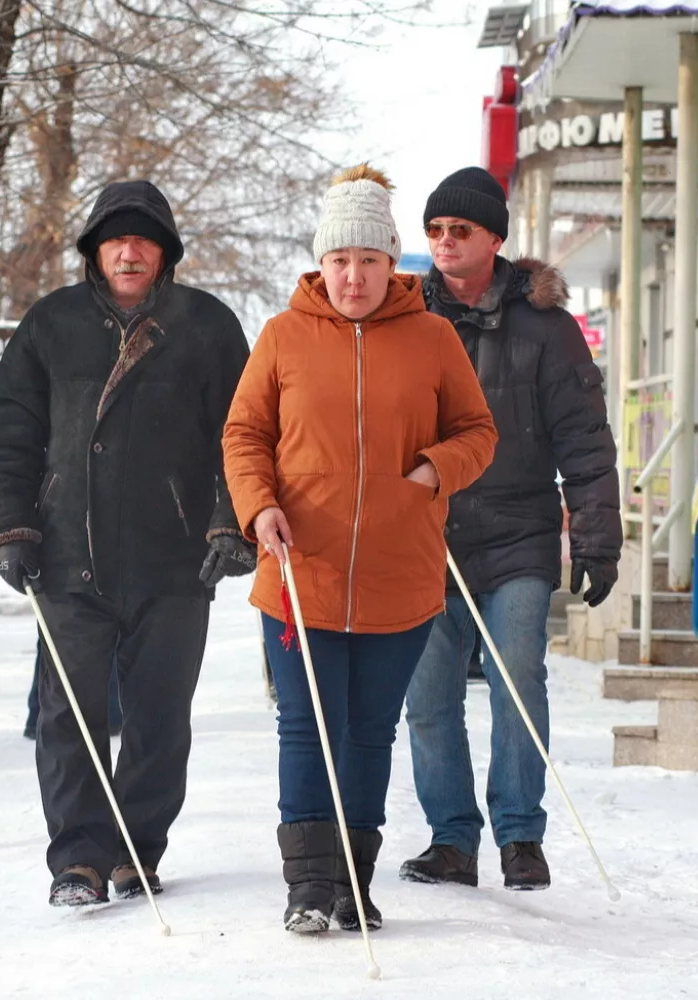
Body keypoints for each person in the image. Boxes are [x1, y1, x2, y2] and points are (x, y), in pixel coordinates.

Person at [222, 164, 498, 934]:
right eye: (340, 261)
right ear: (322, 262)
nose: (353, 276)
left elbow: (479, 432)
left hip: (398, 577)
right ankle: (307, 885)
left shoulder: (434, 338)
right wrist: (259, 506)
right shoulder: (281, 337)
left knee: (370, 733)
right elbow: (244, 435)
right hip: (297, 573)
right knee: (306, 727)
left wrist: (433, 470)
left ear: (390, 262)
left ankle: (352, 883)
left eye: (369, 261)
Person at [0, 180, 256, 906]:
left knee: (159, 717)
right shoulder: (51, 324)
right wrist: (12, 526)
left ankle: (137, 849)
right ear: (95, 252)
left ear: (164, 252)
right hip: (69, 556)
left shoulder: (206, 325)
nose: (129, 251)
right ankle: (76, 859)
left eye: (143, 239)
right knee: (69, 713)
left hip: (175, 559)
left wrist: (232, 524)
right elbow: (12, 434)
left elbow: (246, 436)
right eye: (115, 239)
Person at [399, 167, 621, 892]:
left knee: (517, 678)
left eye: (459, 230)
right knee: (427, 697)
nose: (445, 243)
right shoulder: (405, 323)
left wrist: (596, 538)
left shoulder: (547, 330)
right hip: (425, 538)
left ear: (494, 237)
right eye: (433, 231)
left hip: (518, 534)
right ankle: (451, 840)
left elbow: (586, 439)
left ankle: (520, 834)